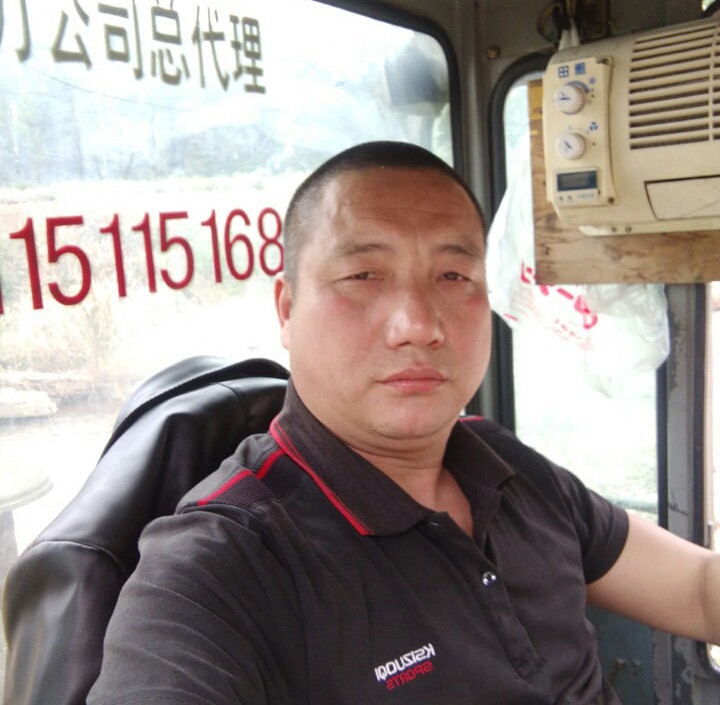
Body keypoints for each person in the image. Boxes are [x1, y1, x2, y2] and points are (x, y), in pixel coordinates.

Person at [88, 141, 720, 704]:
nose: (418, 324)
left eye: (453, 275)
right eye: (363, 275)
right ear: (286, 309)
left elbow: (696, 589)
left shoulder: (503, 465)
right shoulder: (224, 566)